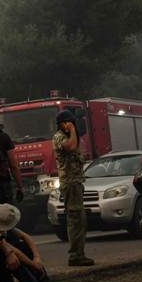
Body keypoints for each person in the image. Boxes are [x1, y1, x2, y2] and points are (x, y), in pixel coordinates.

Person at [0, 204, 68, 282]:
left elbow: (27, 237)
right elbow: (13, 251)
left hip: (0, 263)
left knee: (24, 246)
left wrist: (37, 258)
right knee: (15, 259)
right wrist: (33, 265)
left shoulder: (4, 227)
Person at [53, 109, 93, 267]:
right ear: (64, 124)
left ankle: (79, 253)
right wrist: (73, 130)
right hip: (69, 182)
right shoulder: (59, 137)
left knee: (79, 219)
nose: (73, 125)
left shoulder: (70, 136)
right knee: (75, 219)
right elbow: (70, 147)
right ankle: (75, 255)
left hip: (76, 182)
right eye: (70, 122)